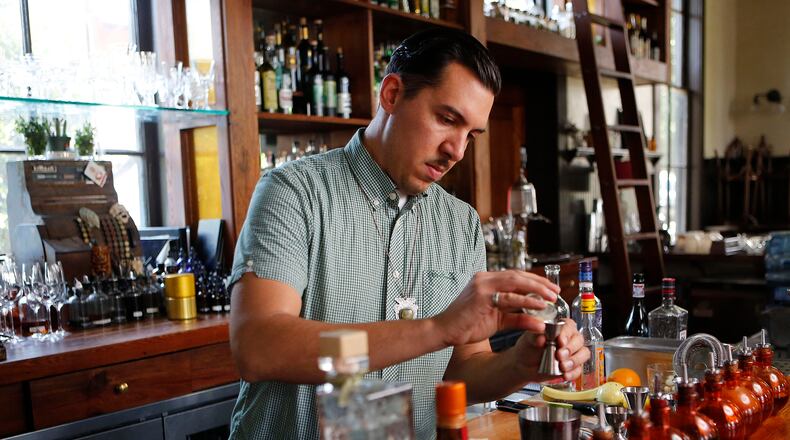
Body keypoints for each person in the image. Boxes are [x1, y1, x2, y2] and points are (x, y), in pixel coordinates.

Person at [227, 28, 590, 439]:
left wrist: (519, 365)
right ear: (393, 94)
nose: (457, 150)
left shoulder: (460, 223)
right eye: (447, 119)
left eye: (470, 134)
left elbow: (461, 368)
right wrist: (436, 328)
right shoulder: (296, 193)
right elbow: (259, 348)